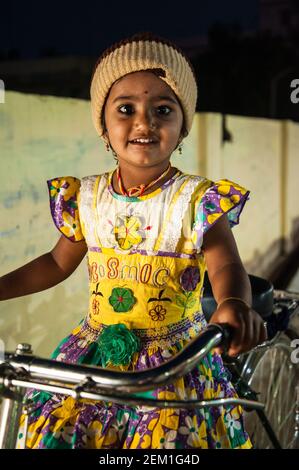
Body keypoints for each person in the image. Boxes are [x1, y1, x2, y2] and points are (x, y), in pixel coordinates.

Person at [0, 31, 266, 449]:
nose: (145, 123)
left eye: (164, 109)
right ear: (104, 125)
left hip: (176, 362)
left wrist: (234, 303)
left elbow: (226, 266)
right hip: (93, 354)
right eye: (126, 109)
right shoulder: (85, 198)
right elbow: (55, 264)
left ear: (182, 129)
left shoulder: (196, 200)